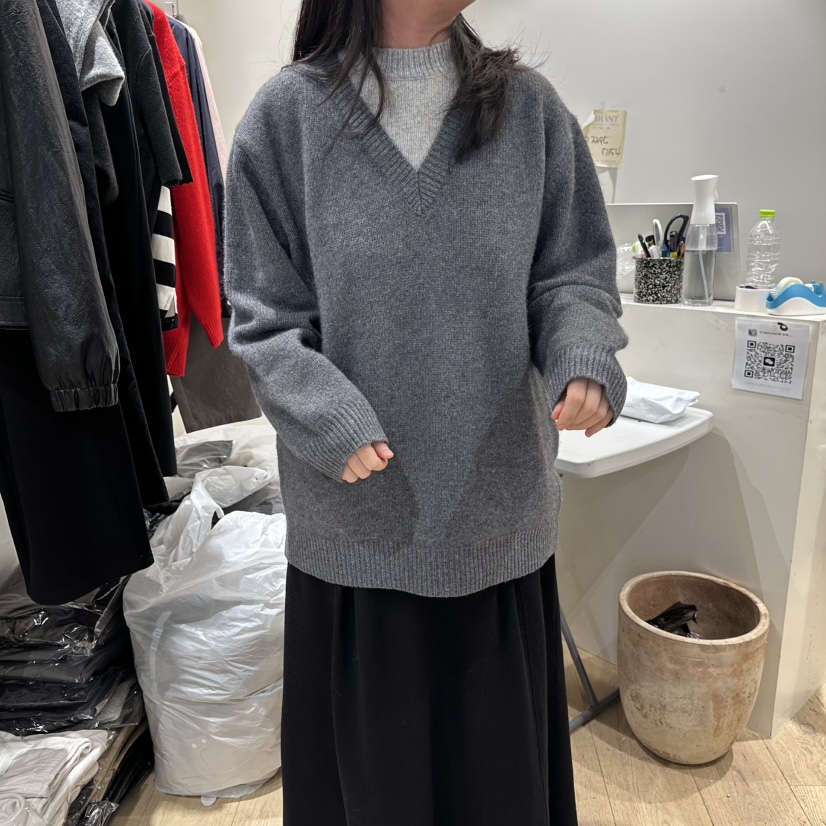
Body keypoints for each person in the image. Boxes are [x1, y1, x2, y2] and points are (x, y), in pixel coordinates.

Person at [224, 0, 628, 822]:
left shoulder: (530, 113)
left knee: (500, 797)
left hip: (495, 532)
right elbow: (264, 319)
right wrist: (328, 416)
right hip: (358, 543)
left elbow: (572, 272)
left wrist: (582, 352)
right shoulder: (284, 120)